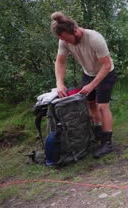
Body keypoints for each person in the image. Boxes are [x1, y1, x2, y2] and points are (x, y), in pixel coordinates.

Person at [50, 12, 117, 158]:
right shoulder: (64, 40)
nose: (66, 43)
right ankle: (98, 131)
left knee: (102, 106)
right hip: (88, 73)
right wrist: (59, 83)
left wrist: (92, 85)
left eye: (68, 39)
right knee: (90, 104)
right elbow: (60, 62)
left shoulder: (94, 38)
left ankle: (107, 143)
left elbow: (106, 65)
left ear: (75, 31)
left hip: (105, 73)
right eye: (63, 40)